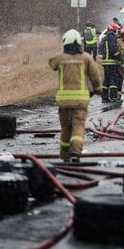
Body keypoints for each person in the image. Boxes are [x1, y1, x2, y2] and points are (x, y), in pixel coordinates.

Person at [48, 29, 101, 163]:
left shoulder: (60, 58)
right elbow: (95, 76)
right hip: (80, 101)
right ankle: (75, 153)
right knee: (78, 125)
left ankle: (64, 154)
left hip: (64, 101)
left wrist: (64, 56)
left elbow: (51, 63)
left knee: (66, 127)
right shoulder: (86, 58)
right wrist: (98, 89)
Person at [99, 22, 121, 102]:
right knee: (113, 79)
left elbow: (100, 50)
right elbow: (113, 50)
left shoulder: (104, 38)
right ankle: (113, 97)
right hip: (112, 62)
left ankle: (104, 97)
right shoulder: (112, 37)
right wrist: (120, 57)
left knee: (106, 80)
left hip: (105, 62)